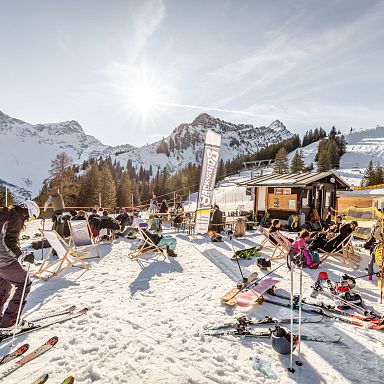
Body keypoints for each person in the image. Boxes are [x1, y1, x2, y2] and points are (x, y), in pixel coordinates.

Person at [0, 201, 39, 330]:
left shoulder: (5, 213)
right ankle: (10, 322)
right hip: (5, 261)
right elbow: (8, 241)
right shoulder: (17, 216)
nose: (28, 220)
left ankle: (3, 321)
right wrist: (22, 256)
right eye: (31, 216)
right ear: (27, 211)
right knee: (24, 283)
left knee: (3, 288)